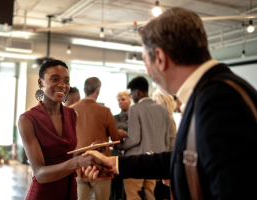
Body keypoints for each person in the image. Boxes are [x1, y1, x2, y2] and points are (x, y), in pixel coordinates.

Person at [83, 7, 257, 200]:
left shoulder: (219, 100)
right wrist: (112, 163)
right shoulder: (210, 92)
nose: (148, 71)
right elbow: (180, 157)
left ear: (159, 58)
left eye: (145, 60)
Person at [18, 60, 111, 200]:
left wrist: (87, 152)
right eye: (54, 79)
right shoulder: (27, 120)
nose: (62, 85)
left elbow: (67, 156)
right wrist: (79, 162)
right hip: (43, 194)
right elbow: (40, 174)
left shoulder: (72, 115)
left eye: (66, 81)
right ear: (40, 82)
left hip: (69, 191)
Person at [70, 77, 126, 200]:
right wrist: (121, 133)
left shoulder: (71, 109)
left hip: (79, 166)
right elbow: (115, 138)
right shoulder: (105, 111)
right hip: (101, 166)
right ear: (98, 91)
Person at [117, 76, 170, 200]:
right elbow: (167, 141)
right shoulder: (164, 110)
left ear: (137, 92)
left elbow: (134, 138)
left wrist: (120, 146)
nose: (132, 98)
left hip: (137, 161)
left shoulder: (135, 109)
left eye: (131, 94)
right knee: (149, 195)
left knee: (133, 195)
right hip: (156, 161)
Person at [111, 90, 131, 200]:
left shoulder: (135, 116)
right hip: (116, 152)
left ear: (130, 100)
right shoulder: (114, 117)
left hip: (130, 153)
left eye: (123, 99)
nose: (120, 102)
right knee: (115, 185)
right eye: (118, 100)